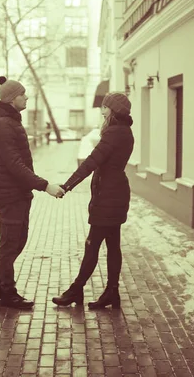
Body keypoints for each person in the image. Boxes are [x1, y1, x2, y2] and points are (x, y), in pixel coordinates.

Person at [0, 75, 65, 309]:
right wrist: (45, 185)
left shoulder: (11, 122)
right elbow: (14, 165)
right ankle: (8, 293)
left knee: (17, 241)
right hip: (10, 195)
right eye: (23, 94)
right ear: (11, 99)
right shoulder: (2, 126)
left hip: (17, 193)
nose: (26, 96)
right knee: (11, 244)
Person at [52, 92, 134, 309]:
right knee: (113, 245)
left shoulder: (114, 133)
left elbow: (91, 162)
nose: (102, 110)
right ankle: (111, 292)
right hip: (114, 194)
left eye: (105, 107)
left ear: (114, 110)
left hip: (108, 197)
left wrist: (67, 185)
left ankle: (76, 290)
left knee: (92, 244)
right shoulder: (124, 131)